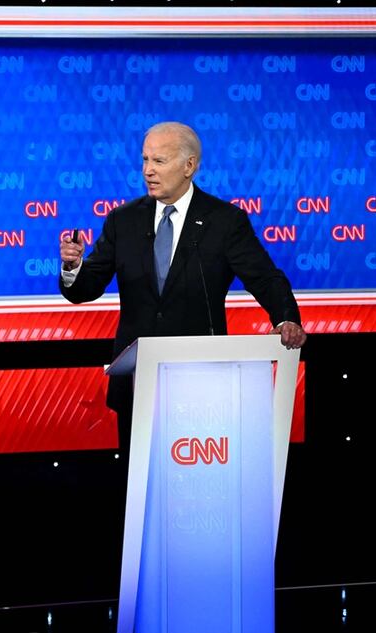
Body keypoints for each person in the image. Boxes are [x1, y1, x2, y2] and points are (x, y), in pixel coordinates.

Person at [59, 121, 306, 450]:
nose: (148, 170)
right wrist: (74, 266)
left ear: (189, 165)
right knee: (140, 491)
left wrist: (285, 317)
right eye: (145, 160)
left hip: (201, 380)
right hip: (138, 381)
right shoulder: (123, 220)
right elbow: (85, 288)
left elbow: (264, 276)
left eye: (159, 161)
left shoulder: (224, 221)